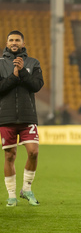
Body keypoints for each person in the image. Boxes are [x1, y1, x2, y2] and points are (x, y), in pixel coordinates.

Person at [0, 30, 44, 207]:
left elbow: (37, 86)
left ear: (23, 43)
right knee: (10, 156)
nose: (14, 42)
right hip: (6, 116)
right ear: (7, 42)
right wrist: (14, 76)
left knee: (33, 152)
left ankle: (26, 189)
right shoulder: (0, 63)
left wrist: (22, 71)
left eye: (17, 40)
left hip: (28, 116)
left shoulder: (33, 63)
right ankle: (11, 195)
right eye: (11, 40)